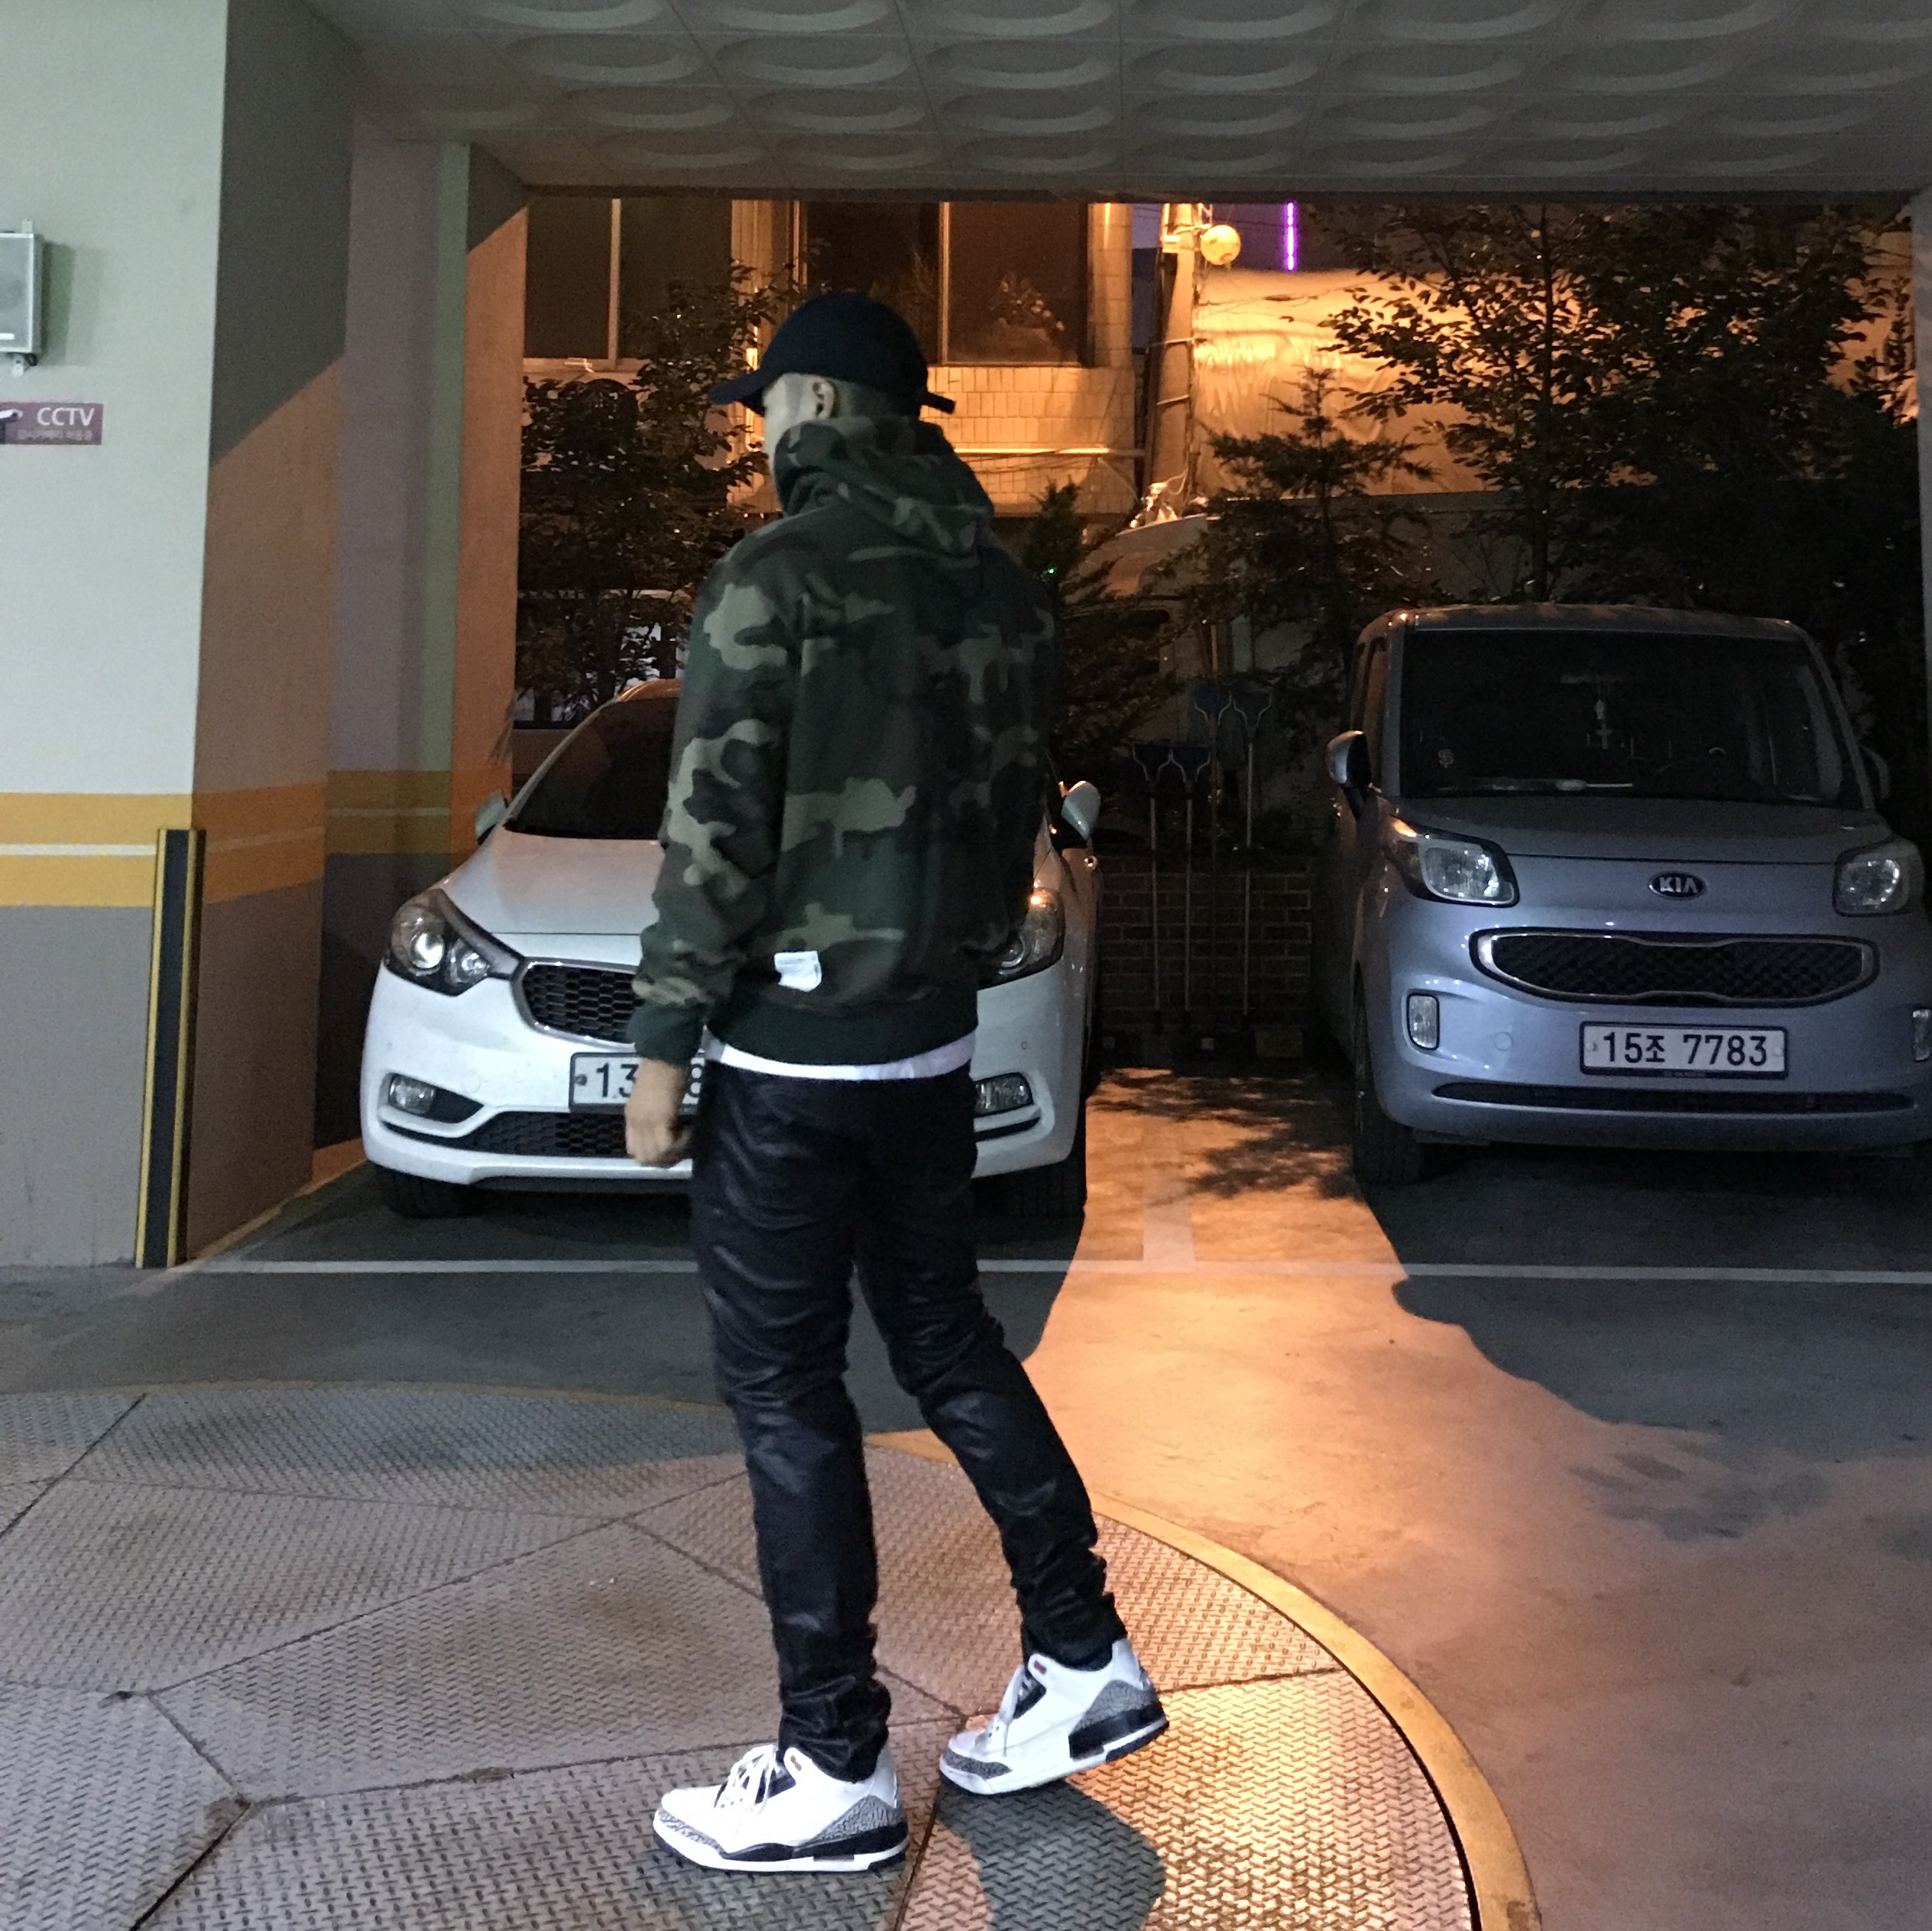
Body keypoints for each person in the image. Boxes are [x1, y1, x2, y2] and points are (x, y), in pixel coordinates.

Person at [622, 293, 1165, 1874]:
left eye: (765, 407)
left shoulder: (777, 576)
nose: (759, 431)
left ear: (807, 405)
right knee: (944, 1338)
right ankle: (1083, 1654)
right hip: (929, 1038)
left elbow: (714, 824)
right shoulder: (997, 584)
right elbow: (1014, 806)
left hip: (787, 1060)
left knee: (787, 1390)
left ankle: (833, 1762)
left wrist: (663, 1040)